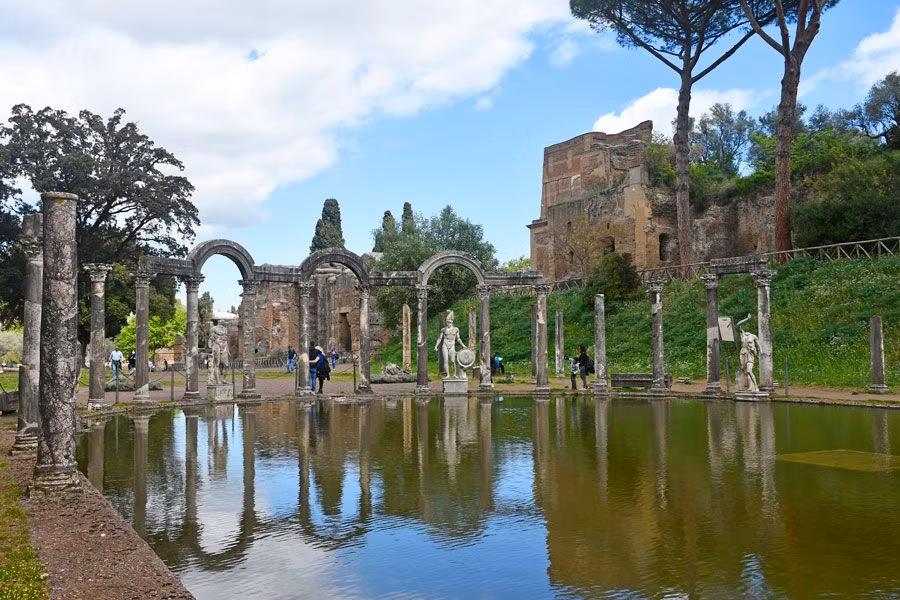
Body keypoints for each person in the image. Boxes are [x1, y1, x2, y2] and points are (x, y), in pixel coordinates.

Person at [435, 310, 464, 378]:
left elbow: (458, 339)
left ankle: (454, 374)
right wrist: (436, 346)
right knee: (445, 360)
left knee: (452, 361)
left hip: (452, 344)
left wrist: (463, 345)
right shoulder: (443, 329)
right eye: (447, 322)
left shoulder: (456, 329)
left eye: (450, 323)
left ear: (452, 323)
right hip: (445, 344)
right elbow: (440, 338)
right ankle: (447, 374)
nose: (448, 324)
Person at [736, 314, 760, 392]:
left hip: (750, 354)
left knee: (749, 371)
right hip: (742, 353)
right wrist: (747, 319)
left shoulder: (753, 336)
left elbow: (759, 345)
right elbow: (738, 324)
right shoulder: (742, 334)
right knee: (745, 371)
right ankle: (748, 386)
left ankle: (756, 387)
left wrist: (759, 354)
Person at [208, 319, 230, 385]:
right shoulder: (213, 329)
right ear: (218, 322)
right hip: (216, 346)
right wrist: (210, 348)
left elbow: (226, 339)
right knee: (216, 364)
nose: (221, 323)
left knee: (226, 365)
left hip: (224, 347)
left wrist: (228, 349)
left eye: (222, 322)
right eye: (220, 322)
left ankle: (224, 379)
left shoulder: (226, 329)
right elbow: (210, 339)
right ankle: (217, 380)